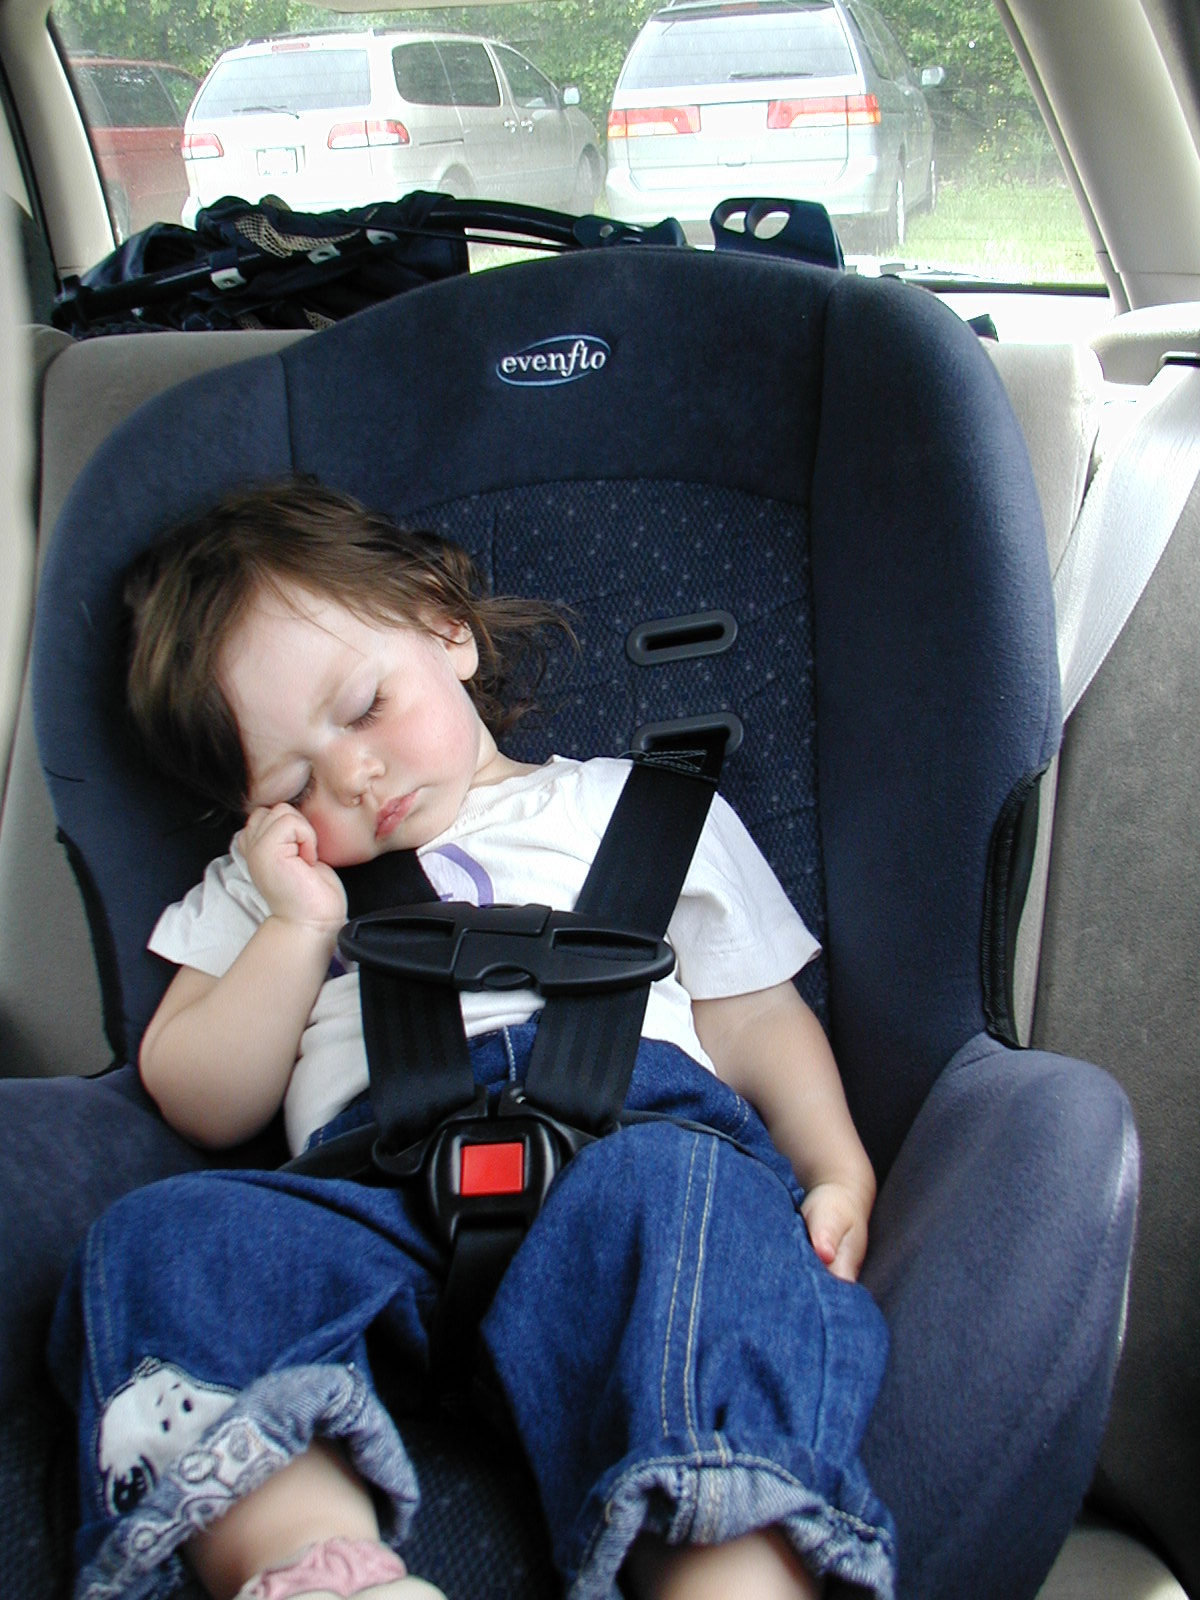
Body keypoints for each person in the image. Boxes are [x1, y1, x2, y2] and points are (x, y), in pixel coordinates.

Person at [50, 481, 896, 1600]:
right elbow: (199, 1096)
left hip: (635, 1149)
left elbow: (754, 1016)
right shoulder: (272, 886)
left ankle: (726, 1571)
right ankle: (315, 1565)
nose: (351, 777)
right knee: (164, 1240)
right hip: (376, 1197)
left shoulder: (643, 812)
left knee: (705, 1229)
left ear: (447, 627)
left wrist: (837, 1168)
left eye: (364, 708)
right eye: (294, 782)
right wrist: (298, 927)